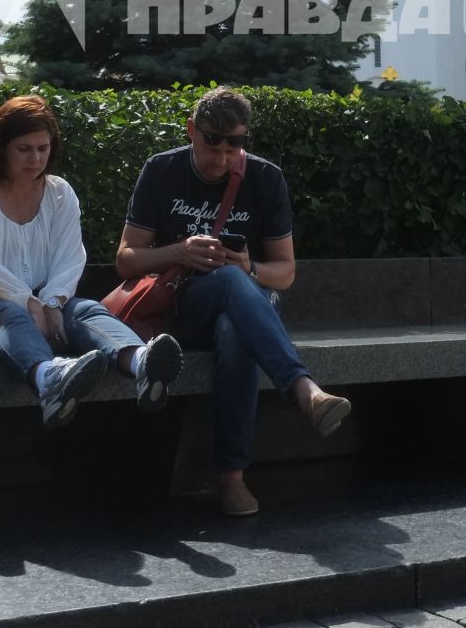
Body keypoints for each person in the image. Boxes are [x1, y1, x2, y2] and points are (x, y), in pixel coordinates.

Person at [117, 88, 349, 518]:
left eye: (235, 145)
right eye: (212, 143)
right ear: (192, 131)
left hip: (245, 308)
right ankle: (303, 390)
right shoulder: (162, 170)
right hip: (180, 309)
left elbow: (286, 272)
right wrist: (179, 252)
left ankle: (231, 480)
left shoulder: (264, 178)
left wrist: (250, 269)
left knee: (233, 326)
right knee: (225, 282)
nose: (222, 158)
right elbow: (126, 259)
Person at [0, 95, 182, 429]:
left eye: (43, 148)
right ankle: (48, 379)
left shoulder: (60, 193)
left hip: (45, 298)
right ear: (0, 148)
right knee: (11, 314)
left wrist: (53, 300)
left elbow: (71, 255)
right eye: (24, 149)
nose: (36, 158)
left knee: (84, 309)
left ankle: (142, 361)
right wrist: (29, 302)